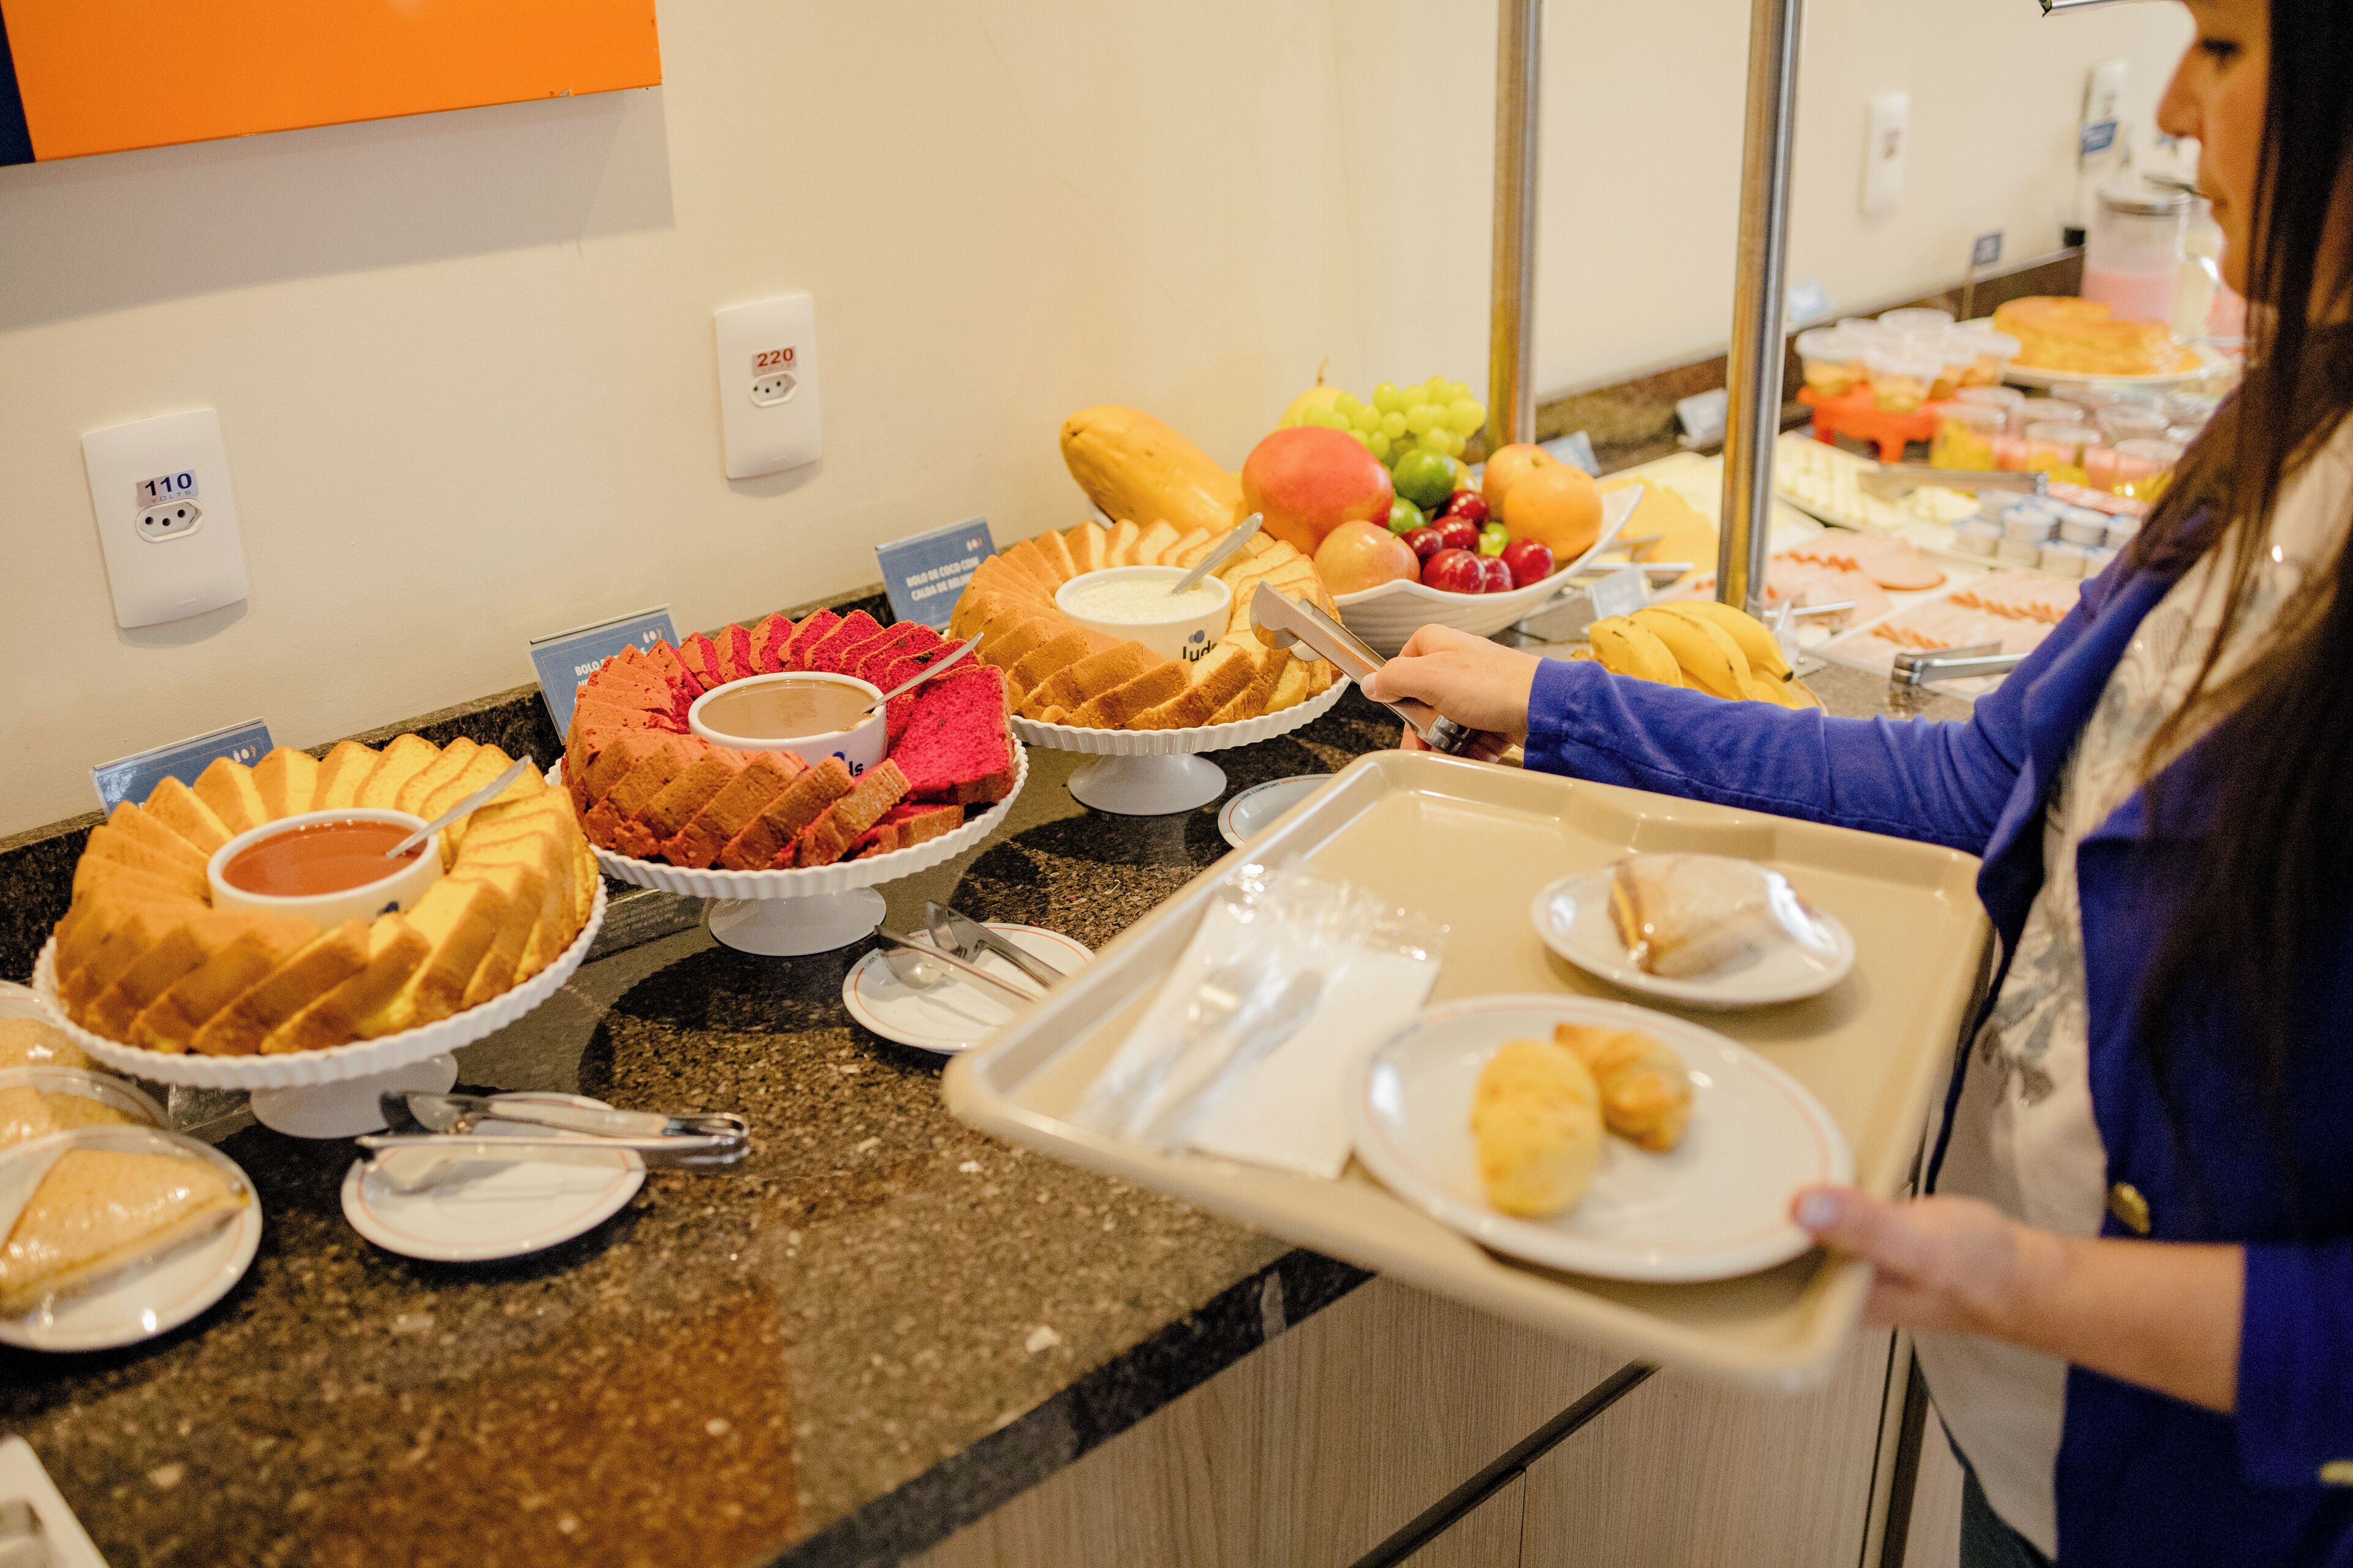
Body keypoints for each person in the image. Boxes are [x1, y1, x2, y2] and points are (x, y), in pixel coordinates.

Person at [1365, 3, 2352, 1563]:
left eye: (2227, 48)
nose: (2172, 106)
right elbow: (1980, 783)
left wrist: (2022, 1280)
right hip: (2030, 1430)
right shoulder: (2286, 425)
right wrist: (1559, 700)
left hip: (2203, 1504)